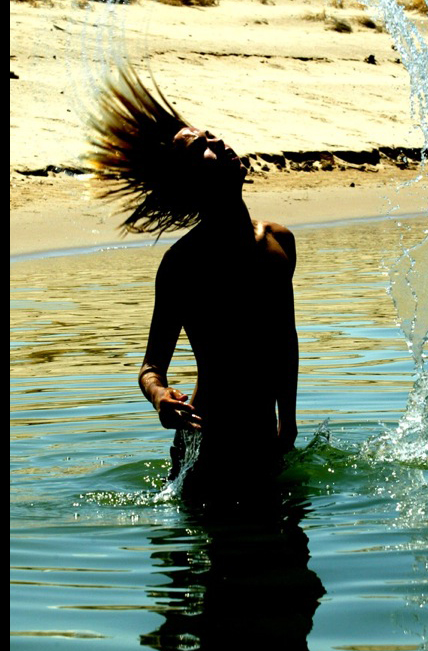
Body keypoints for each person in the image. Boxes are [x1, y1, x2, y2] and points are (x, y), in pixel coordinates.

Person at [88, 67, 298, 493]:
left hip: (266, 437)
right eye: (203, 146)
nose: (219, 143)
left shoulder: (279, 240)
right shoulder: (182, 264)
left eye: (213, 135)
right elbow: (151, 366)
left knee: (291, 556)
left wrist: (288, 424)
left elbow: (285, 339)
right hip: (208, 444)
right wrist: (161, 398)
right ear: (191, 181)